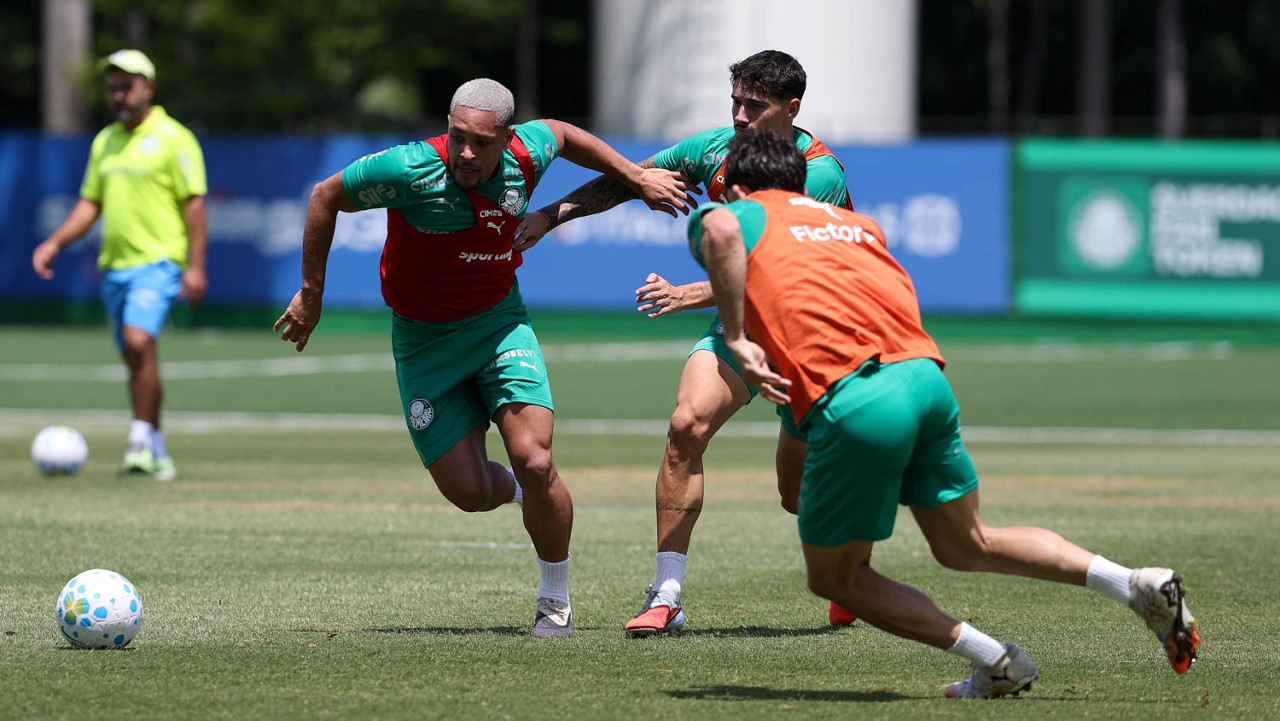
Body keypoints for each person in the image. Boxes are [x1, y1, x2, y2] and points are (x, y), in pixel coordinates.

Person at [688, 127, 1201, 697]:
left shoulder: (741, 212)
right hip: (924, 379)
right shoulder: (858, 226)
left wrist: (735, 337)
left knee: (837, 577)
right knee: (968, 543)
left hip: (856, 397)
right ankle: (1132, 584)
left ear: (733, 185)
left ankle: (999, 661)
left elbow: (719, 228)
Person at [273, 78, 694, 638]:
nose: (467, 153)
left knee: (537, 460)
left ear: (506, 139)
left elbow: (565, 135)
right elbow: (325, 195)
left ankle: (554, 598)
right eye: (458, 138)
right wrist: (312, 292)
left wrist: (636, 176)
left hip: (499, 325)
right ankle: (518, 491)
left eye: (482, 143)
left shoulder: (527, 153)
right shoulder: (408, 169)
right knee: (469, 493)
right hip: (424, 342)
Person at [516, 49, 856, 636]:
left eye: (757, 105)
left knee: (796, 495)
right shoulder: (714, 149)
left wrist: (686, 295)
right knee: (684, 428)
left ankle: (850, 565)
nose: (742, 116)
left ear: (792, 108)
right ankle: (666, 596)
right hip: (742, 327)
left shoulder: (820, 175)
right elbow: (630, 180)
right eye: (736, 102)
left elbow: (771, 271)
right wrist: (551, 215)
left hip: (813, 335)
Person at [32, 49, 208, 482]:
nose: (119, 95)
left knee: (138, 341)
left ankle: (137, 439)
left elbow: (195, 204)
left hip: (160, 262)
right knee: (135, 359)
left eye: (127, 86)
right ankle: (156, 449)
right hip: (115, 267)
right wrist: (55, 242)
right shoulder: (105, 141)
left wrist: (196, 267)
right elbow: (90, 204)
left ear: (148, 88)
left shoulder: (174, 138)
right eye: (112, 88)